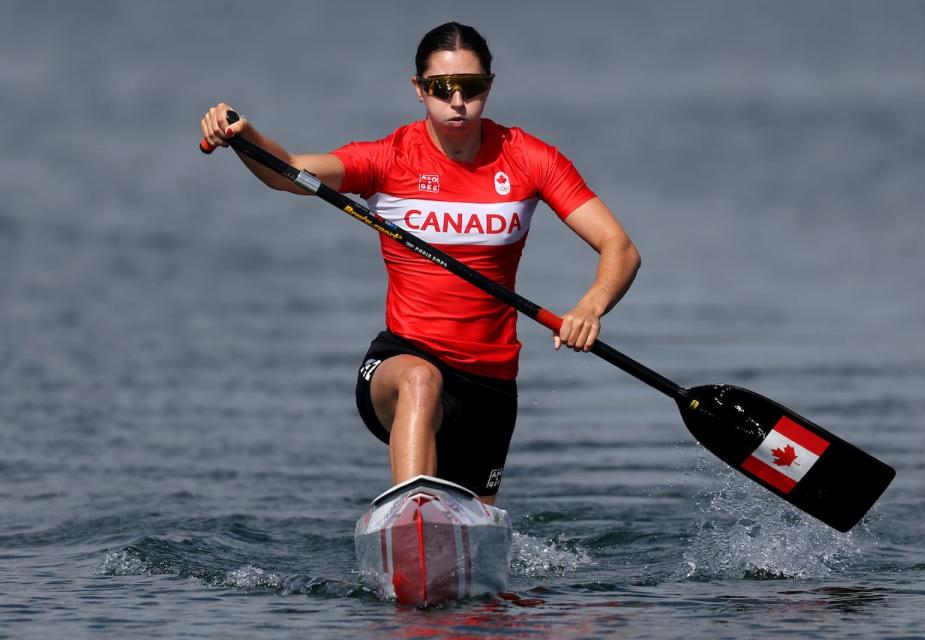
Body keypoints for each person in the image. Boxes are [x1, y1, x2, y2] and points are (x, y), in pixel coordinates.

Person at [200, 22, 640, 505]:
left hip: (490, 386)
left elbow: (619, 246)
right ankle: (410, 516)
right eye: (440, 88)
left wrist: (591, 307)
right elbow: (285, 172)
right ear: (419, 89)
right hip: (402, 362)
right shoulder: (389, 159)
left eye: (470, 87)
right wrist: (241, 132)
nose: (456, 101)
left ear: (489, 87)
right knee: (420, 380)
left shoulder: (529, 159)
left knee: (472, 555)